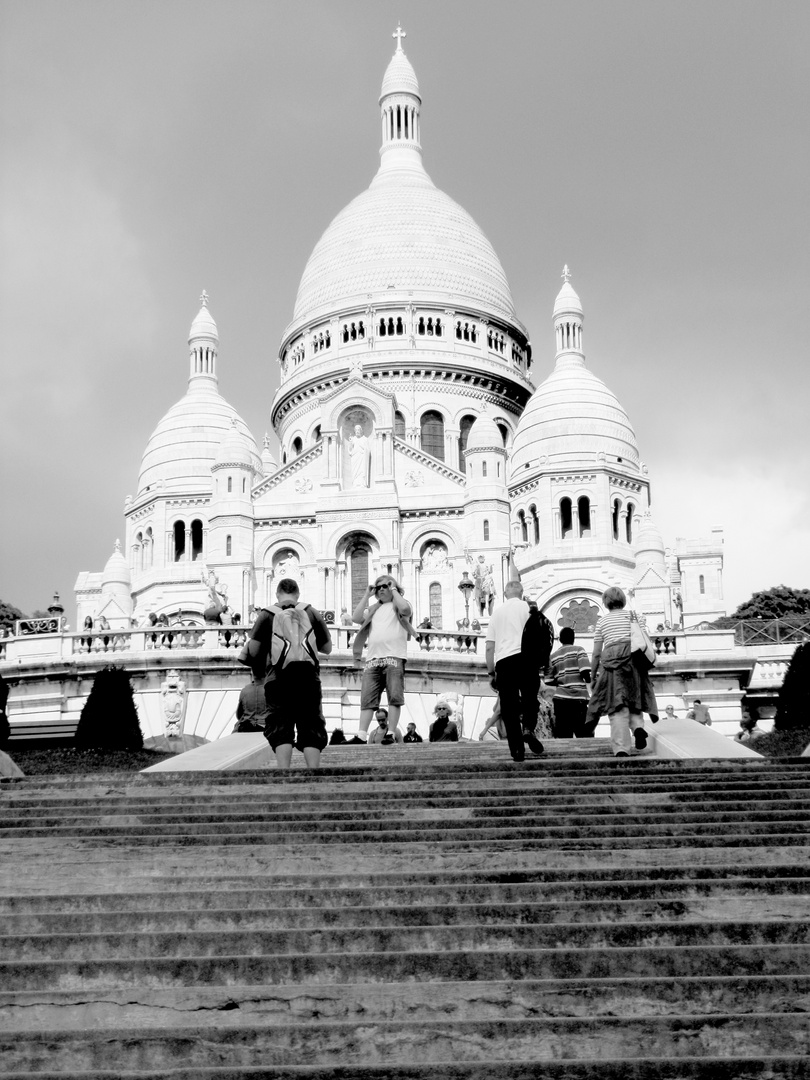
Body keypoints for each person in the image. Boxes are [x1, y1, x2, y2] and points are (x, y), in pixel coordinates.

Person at [240, 577, 332, 769]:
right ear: (298, 593)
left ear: (277, 593)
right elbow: (327, 647)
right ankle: (313, 771)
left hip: (277, 678)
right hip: (308, 678)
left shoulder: (266, 615)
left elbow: (254, 651)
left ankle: (284, 771)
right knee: (311, 722)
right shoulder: (310, 612)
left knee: (281, 723)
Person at [587, 588, 657, 757]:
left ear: (606, 601)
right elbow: (644, 640)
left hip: (612, 663)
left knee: (617, 704)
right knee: (634, 698)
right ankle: (638, 728)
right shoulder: (634, 616)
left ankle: (621, 748)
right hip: (634, 660)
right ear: (623, 600)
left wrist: (593, 674)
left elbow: (596, 653)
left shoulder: (602, 622)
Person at [349, 575, 416, 743]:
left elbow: (406, 611)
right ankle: (361, 734)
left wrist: (393, 589)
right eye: (378, 587)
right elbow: (356, 618)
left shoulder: (401, 604)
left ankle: (391, 733)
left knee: (394, 696)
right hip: (373, 658)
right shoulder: (373, 608)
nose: (381, 589)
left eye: (385, 586)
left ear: (393, 587)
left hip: (394, 656)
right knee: (367, 698)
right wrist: (366, 595)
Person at [485, 580, 544, 762]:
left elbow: (489, 646)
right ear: (521, 592)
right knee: (530, 699)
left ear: (504, 593)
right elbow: (541, 636)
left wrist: (491, 672)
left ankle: (517, 750)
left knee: (509, 708)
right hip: (527, 659)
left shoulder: (497, 613)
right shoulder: (530, 608)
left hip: (504, 662)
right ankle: (528, 727)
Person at [546, 628, 594, 738]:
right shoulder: (579, 650)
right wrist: (590, 685)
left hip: (560, 700)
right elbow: (585, 672)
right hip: (579, 699)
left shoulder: (552, 656)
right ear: (573, 638)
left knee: (563, 735)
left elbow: (549, 681)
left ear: (560, 639)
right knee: (583, 734)